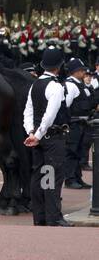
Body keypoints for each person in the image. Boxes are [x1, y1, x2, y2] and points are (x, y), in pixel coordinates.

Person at [24, 47, 72, 226]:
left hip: (37, 137)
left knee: (39, 175)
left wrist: (31, 132)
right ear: (59, 66)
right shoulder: (56, 86)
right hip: (52, 137)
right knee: (52, 176)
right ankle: (53, 216)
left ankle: (40, 216)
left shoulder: (34, 84)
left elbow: (28, 112)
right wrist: (38, 134)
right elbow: (49, 116)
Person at [63, 58, 94, 190]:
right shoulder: (70, 85)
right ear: (75, 71)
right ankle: (70, 179)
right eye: (81, 70)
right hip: (74, 124)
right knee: (72, 152)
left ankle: (77, 177)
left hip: (81, 124)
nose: (83, 72)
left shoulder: (79, 84)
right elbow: (66, 106)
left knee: (79, 152)